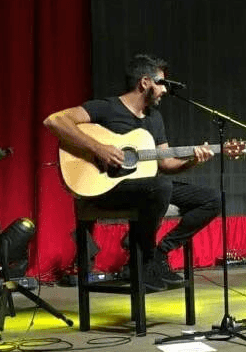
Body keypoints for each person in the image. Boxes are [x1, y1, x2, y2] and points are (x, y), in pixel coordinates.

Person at [44, 54, 220, 291]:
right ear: (145, 82)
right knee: (160, 187)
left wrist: (192, 160)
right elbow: (54, 121)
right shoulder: (106, 108)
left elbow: (166, 164)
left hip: (146, 187)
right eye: (161, 84)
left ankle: (160, 252)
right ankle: (143, 262)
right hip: (107, 187)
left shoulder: (154, 118)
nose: (165, 91)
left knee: (213, 199)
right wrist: (99, 148)